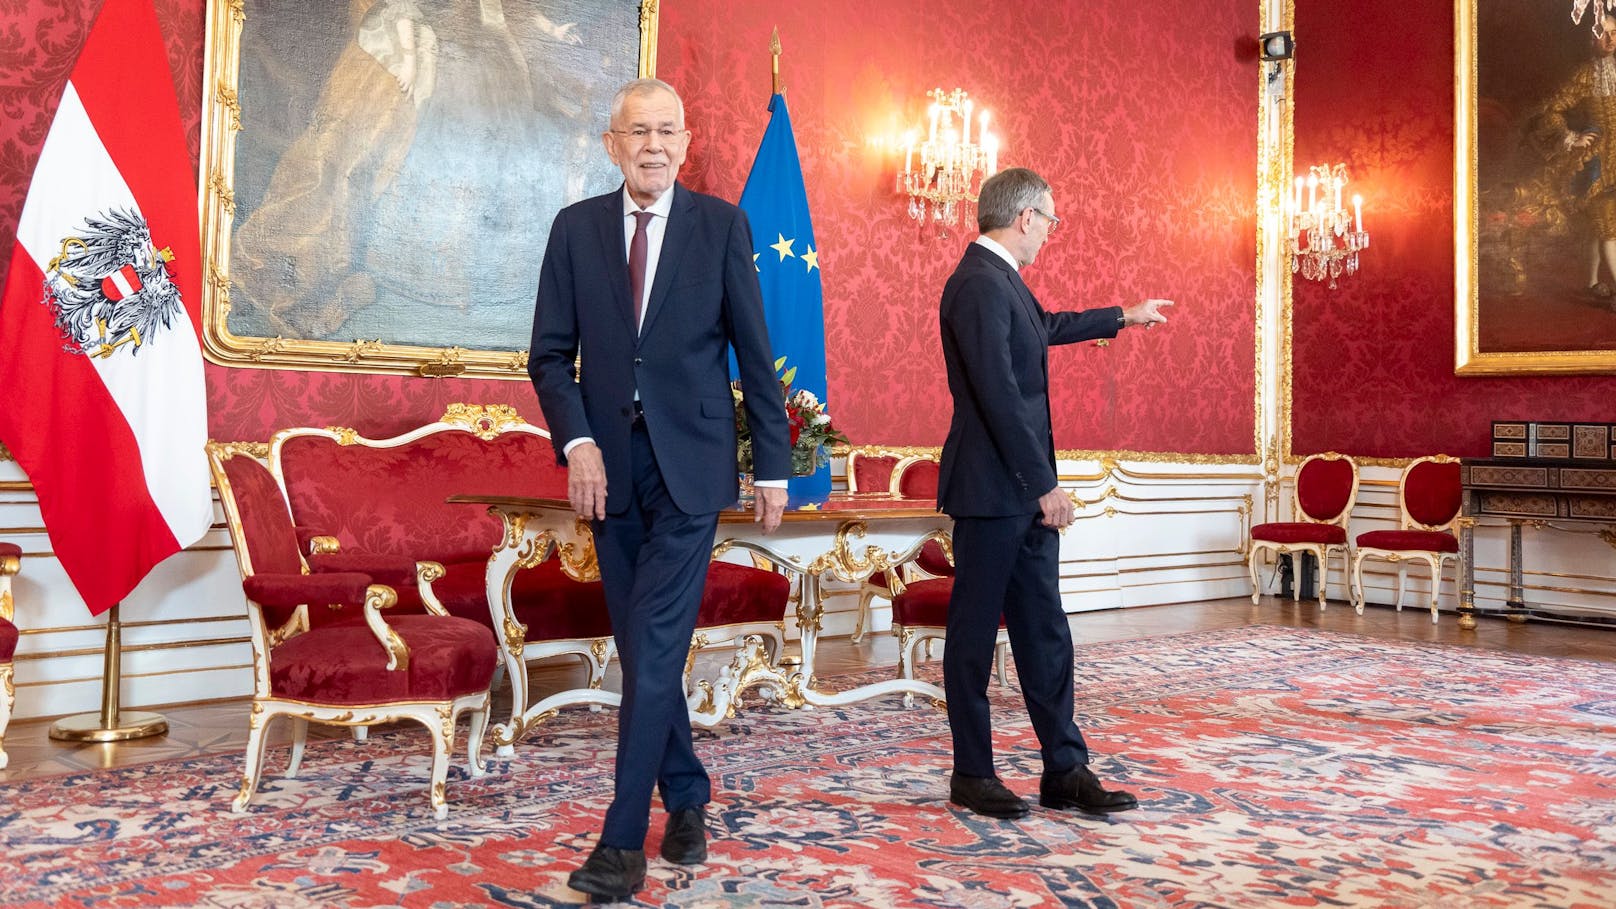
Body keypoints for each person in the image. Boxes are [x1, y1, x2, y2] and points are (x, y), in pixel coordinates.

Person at [527, 77, 791, 902]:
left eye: (666, 131)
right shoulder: (574, 230)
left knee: (653, 644)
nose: (652, 145)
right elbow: (548, 355)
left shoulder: (722, 226)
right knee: (648, 651)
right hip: (605, 473)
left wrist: (774, 461)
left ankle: (619, 844)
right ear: (612, 144)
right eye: (636, 131)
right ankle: (687, 792)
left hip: (692, 468)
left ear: (686, 141)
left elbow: (755, 347)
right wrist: (577, 442)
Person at [936, 166, 1171, 820]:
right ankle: (972, 773)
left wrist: (1122, 315)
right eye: (1051, 220)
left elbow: (1045, 327)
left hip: (1018, 490)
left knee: (1045, 631)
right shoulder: (977, 283)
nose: (1050, 233)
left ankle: (1064, 767)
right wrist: (1044, 484)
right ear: (1024, 217)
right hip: (992, 491)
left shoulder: (1002, 281)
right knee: (974, 636)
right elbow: (998, 395)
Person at [1536, 13, 1616, 308]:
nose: (1610, 40)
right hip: (1596, 163)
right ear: (1590, 37)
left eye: (1615, 33)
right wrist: (1572, 138)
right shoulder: (1585, 75)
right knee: (1608, 224)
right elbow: (1552, 110)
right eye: (1603, 33)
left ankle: (1592, 282)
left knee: (1600, 227)